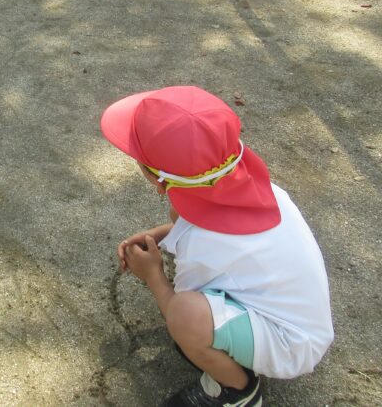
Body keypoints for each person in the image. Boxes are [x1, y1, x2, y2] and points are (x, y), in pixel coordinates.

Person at [102, 86, 333, 407]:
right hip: (298, 319)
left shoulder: (202, 248)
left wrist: (153, 275)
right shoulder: (266, 191)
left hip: (289, 345)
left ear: (158, 181)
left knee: (187, 318)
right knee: (181, 228)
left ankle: (237, 390)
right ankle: (233, 347)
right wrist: (162, 236)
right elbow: (219, 234)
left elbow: (180, 312)